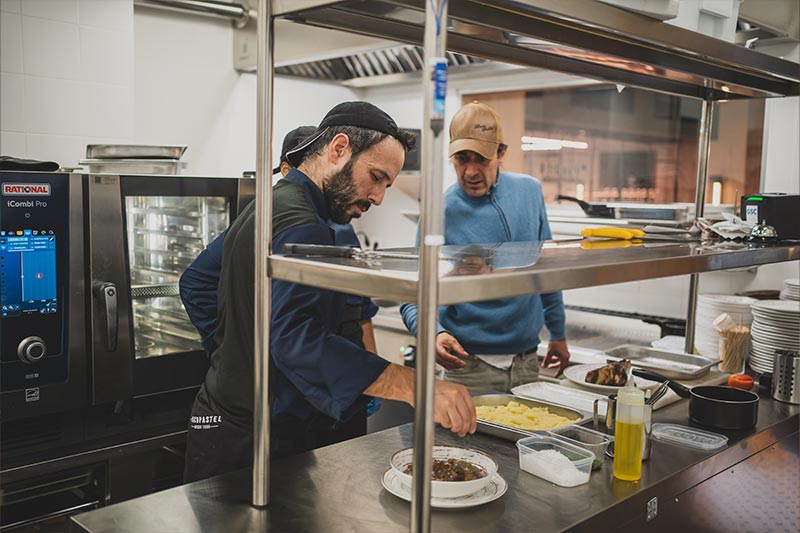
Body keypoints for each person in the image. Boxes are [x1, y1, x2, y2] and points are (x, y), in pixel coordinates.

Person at [183, 102, 476, 483]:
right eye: (376, 177)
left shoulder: (273, 202)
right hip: (256, 440)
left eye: (387, 184)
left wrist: (234, 353)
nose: (379, 197)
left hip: (224, 420)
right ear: (338, 149)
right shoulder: (306, 227)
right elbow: (297, 340)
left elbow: (197, 281)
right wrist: (413, 386)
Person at [179, 126, 381, 439]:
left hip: (326, 389)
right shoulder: (299, 223)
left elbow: (357, 312)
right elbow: (296, 337)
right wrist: (232, 347)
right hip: (283, 403)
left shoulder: (333, 227)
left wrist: (229, 349)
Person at [400, 101, 570, 396]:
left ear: (501, 154)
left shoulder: (529, 192)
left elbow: (546, 268)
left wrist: (558, 332)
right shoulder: (440, 211)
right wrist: (433, 333)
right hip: (468, 368)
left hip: (527, 363)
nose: (470, 171)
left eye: (481, 159)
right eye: (461, 159)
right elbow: (412, 293)